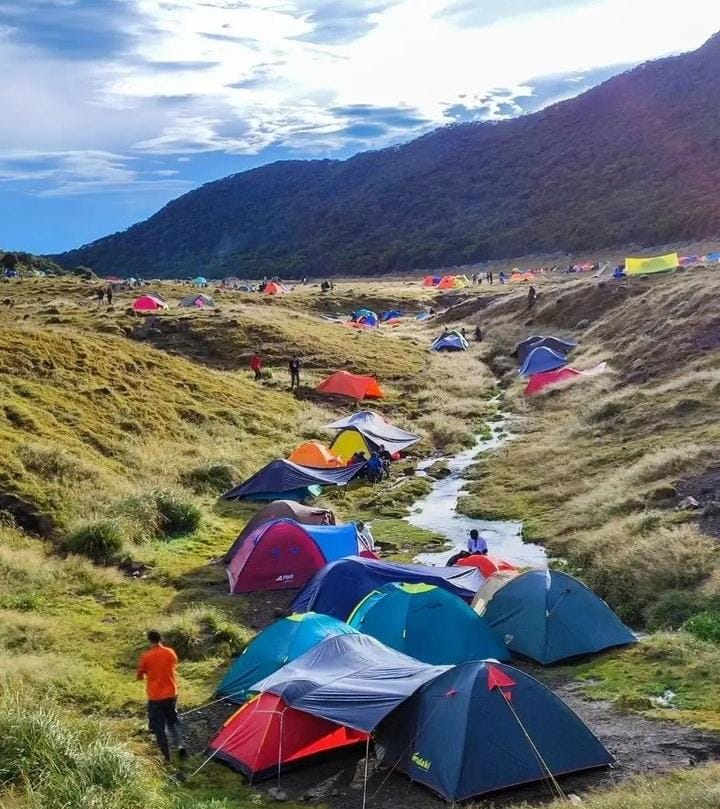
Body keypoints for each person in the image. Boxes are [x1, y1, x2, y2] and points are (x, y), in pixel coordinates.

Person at [136, 630, 186, 763]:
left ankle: (166, 757)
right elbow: (174, 664)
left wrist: (145, 673)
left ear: (149, 640)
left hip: (156, 696)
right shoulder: (170, 652)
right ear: (160, 639)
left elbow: (140, 675)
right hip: (171, 693)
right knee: (173, 721)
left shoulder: (146, 656)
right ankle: (180, 745)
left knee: (159, 727)